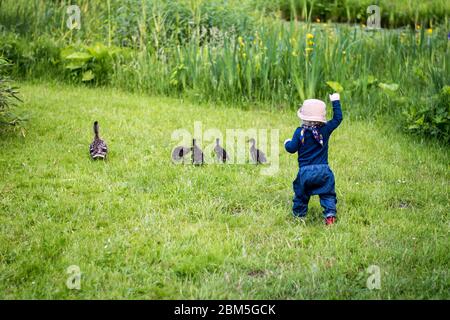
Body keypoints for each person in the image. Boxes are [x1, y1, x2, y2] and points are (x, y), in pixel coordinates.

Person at [284, 93, 343, 225]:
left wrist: (286, 143)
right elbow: (338, 118)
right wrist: (335, 101)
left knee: (301, 194)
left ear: (303, 117)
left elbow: (292, 148)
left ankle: (299, 216)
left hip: (305, 173)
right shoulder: (325, 129)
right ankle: (329, 215)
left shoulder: (299, 132)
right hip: (323, 171)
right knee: (327, 193)